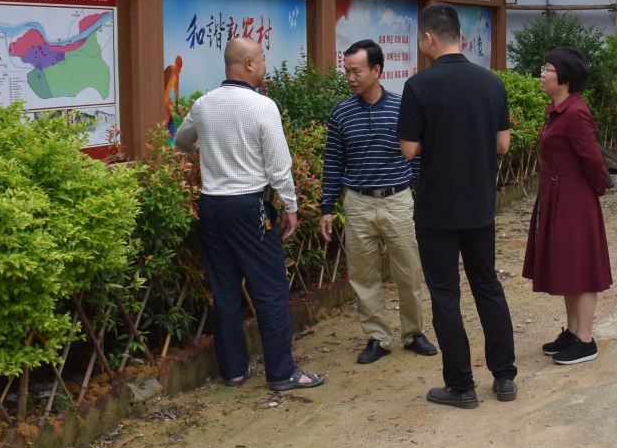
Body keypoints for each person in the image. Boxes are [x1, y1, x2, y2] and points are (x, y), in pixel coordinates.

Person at [173, 36, 325, 393]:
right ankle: (281, 372)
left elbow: (181, 141)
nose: (265, 66)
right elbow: (279, 166)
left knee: (224, 289)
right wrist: (290, 206)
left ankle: (234, 370)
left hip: (212, 207)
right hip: (250, 206)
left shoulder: (204, 105)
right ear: (249, 65)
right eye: (262, 59)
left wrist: (203, 143)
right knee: (270, 290)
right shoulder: (262, 107)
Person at [397, 4, 519, 408]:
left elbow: (409, 150)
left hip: (436, 210)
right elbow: (503, 144)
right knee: (487, 286)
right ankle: (504, 378)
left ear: (430, 39)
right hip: (479, 204)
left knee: (446, 295)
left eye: (420, 40)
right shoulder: (491, 83)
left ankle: (462, 387)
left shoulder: (419, 86)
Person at [321, 39, 439, 364]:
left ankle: (414, 333)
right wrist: (327, 207)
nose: (350, 77)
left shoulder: (402, 107)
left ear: (376, 70)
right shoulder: (341, 113)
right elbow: (333, 162)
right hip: (358, 203)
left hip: (398, 200)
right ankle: (377, 338)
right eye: (346, 71)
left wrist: (417, 192)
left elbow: (416, 155)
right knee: (363, 276)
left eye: (356, 71)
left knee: (409, 272)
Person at [523, 46, 613, 365]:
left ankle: (585, 339)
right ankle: (574, 333)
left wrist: (593, 192)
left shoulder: (576, 112)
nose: (542, 73)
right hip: (555, 195)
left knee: (583, 267)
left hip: (574, 199)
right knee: (567, 265)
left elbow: (591, 158)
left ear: (565, 77)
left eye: (548, 68)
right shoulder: (556, 109)